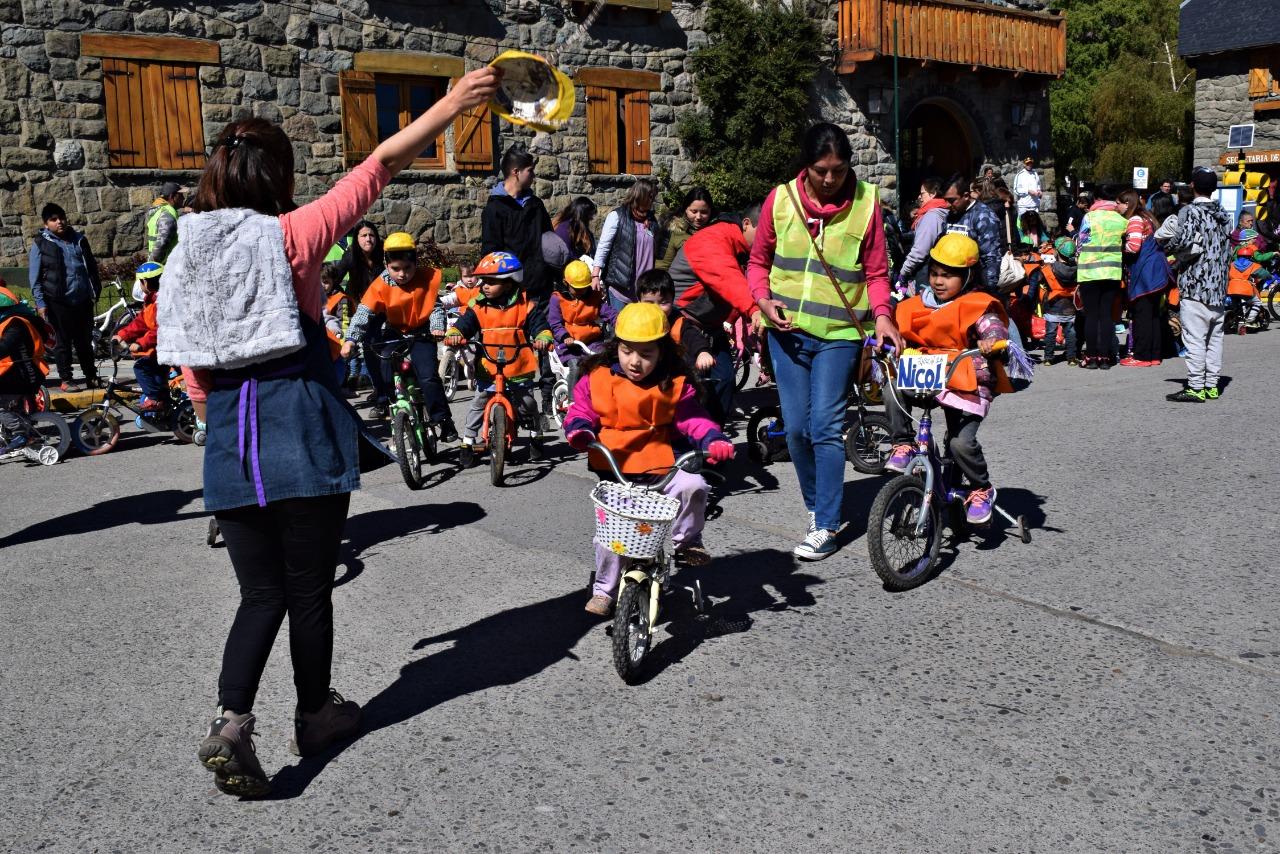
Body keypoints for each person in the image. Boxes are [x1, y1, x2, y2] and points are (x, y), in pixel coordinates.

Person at [156, 67, 500, 799]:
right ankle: (314, 714)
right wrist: (451, 102)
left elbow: (190, 372)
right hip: (297, 425)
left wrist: (218, 421)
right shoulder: (292, 235)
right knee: (309, 591)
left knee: (258, 595)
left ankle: (231, 721)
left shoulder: (185, 256)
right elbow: (380, 166)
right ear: (277, 174)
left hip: (229, 443)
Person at [747, 122, 903, 560]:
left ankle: (827, 525)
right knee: (795, 429)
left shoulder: (866, 203)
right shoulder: (780, 201)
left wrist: (884, 317)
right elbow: (757, 263)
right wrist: (762, 301)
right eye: (821, 170)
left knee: (825, 427)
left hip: (841, 335)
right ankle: (817, 507)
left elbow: (875, 273)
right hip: (788, 335)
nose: (831, 179)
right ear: (807, 166)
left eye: (839, 169)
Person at [562, 301, 735, 616]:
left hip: (662, 467)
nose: (635, 362)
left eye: (646, 354)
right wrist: (579, 429)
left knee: (694, 484)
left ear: (663, 353)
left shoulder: (674, 382)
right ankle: (604, 591)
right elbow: (581, 409)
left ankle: (687, 543)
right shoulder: (597, 376)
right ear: (617, 346)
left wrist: (713, 438)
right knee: (611, 542)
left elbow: (692, 418)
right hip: (616, 469)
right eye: (627, 351)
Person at [884, 234, 1015, 524]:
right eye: (934, 274)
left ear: (968, 276)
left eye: (948, 276)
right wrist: (889, 339)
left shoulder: (978, 304)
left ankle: (981, 487)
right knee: (892, 387)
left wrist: (992, 340)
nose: (938, 281)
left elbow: (993, 327)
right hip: (929, 374)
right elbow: (897, 328)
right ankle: (902, 443)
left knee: (960, 444)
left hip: (966, 380)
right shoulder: (916, 303)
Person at [340, 232, 457, 440]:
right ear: (386, 265)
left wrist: (437, 328)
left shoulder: (425, 278)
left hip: (421, 332)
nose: (402, 274)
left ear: (415, 263)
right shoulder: (380, 284)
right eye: (395, 269)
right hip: (395, 331)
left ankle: (443, 420)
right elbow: (363, 314)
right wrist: (350, 340)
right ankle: (393, 404)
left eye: (407, 268)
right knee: (384, 363)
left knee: (428, 375)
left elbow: (436, 308)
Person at [443, 251, 553, 467]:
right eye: (484, 280)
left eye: (492, 282)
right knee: (479, 402)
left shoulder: (525, 304)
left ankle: (535, 431)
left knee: (527, 403)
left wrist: (542, 335)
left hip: (518, 365)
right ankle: (467, 440)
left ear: (510, 282)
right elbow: (465, 323)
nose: (485, 286)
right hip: (488, 364)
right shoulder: (478, 305)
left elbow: (539, 323)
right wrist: (456, 333)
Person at [481, 146, 555, 424]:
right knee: (510, 345)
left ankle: (546, 401)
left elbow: (547, 241)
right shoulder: (495, 208)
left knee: (542, 341)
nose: (533, 175)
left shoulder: (535, 205)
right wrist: (501, 283)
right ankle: (509, 402)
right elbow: (490, 251)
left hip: (540, 285)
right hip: (511, 291)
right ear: (516, 172)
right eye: (530, 171)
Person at [667, 208, 761, 425]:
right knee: (690, 387)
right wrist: (755, 310)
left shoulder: (746, 250)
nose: (768, 238)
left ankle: (712, 439)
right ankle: (691, 442)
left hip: (712, 325)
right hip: (684, 323)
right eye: (764, 230)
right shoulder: (713, 238)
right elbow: (728, 278)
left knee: (725, 380)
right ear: (746, 223)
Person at [1155, 167, 1233, 402]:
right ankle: (1212, 385)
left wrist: (1166, 247)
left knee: (1195, 338)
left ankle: (1196, 386)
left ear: (1192, 186)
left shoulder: (1190, 212)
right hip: (1219, 286)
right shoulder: (1224, 215)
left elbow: (1181, 241)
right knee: (1215, 338)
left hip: (1196, 284)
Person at [28, 202, 101, 391]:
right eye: (53, 220)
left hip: (82, 299)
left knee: (84, 341)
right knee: (62, 342)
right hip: (58, 301)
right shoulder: (41, 243)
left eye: (61, 218)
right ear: (46, 224)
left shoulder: (79, 240)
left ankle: (91, 376)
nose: (59, 222)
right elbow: (34, 277)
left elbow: (90, 267)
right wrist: (40, 302)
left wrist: (94, 290)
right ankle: (66, 379)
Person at [330, 220, 388, 398]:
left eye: (371, 235)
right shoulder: (351, 256)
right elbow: (334, 278)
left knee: (386, 348)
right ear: (357, 239)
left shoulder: (384, 254)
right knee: (370, 348)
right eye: (363, 235)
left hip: (385, 307)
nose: (368, 239)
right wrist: (341, 298)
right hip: (363, 308)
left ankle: (388, 387)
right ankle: (380, 390)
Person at [1075, 187, 1128, 368]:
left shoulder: (1090, 217)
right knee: (1106, 315)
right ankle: (1105, 358)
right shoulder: (1121, 220)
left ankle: (1090, 357)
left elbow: (1081, 241)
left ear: (1096, 198)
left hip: (1089, 271)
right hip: (1112, 272)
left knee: (1091, 315)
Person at [0, 283, 53, 454]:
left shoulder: (15, 323)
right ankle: (16, 431)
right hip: (14, 373)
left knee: (3, 405)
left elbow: (5, 347)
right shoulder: (8, 320)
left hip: (24, 374)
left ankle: (21, 433)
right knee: (13, 407)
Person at [548, 258, 618, 386]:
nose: (581, 292)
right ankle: (572, 401)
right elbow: (555, 323)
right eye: (577, 288)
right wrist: (565, 337)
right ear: (566, 283)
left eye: (584, 288)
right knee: (576, 367)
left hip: (591, 341)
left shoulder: (593, 297)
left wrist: (621, 321)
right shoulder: (558, 298)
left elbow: (608, 313)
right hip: (568, 344)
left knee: (604, 362)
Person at [111, 262, 169, 411]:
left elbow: (160, 329)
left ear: (145, 282)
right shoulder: (151, 302)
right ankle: (163, 402)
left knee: (141, 367)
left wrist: (141, 343)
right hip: (158, 348)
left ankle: (155, 399)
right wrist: (122, 334)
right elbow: (140, 322)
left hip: (165, 347)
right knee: (155, 373)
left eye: (140, 282)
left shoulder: (161, 303)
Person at [593, 178, 660, 307]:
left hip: (644, 290)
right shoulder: (617, 216)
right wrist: (595, 275)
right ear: (640, 195)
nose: (653, 201)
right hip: (620, 287)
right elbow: (603, 246)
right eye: (650, 197)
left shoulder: (652, 220)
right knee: (620, 325)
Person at [1118, 189, 1165, 366]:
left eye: (1119, 203)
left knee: (1142, 315)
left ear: (1127, 203)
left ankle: (1141, 356)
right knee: (1153, 315)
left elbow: (1134, 246)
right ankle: (1154, 355)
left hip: (1145, 274)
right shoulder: (1147, 217)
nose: (1117, 206)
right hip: (1156, 272)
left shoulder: (1135, 220)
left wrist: (1118, 249)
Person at [943, 175, 1003, 292]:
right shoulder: (951, 214)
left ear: (966, 196)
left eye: (951, 200)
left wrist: (989, 288)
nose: (947, 205)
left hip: (975, 286)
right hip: (950, 285)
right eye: (945, 200)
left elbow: (991, 257)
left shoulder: (983, 216)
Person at [896, 177, 950, 295]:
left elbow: (920, 250)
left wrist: (904, 271)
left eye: (922, 193)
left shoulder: (932, 216)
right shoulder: (944, 210)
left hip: (926, 273)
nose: (920, 197)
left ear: (933, 194)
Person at [1038, 237, 1079, 366]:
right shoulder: (1077, 269)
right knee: (1070, 332)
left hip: (1053, 305)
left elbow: (1040, 281)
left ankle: (1048, 358)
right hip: (1070, 306)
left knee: (1051, 332)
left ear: (1056, 252)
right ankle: (1071, 358)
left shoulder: (1049, 269)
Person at [656, 186, 714, 271]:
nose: (698, 217)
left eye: (704, 212)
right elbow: (662, 266)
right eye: (694, 211)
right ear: (686, 209)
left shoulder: (718, 229)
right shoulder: (672, 230)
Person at [1227, 239, 1268, 331]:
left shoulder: (1232, 264)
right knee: (1257, 303)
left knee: (1236, 305)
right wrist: (1269, 277)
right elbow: (1265, 274)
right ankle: (1250, 321)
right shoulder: (1253, 265)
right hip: (1245, 289)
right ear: (1250, 256)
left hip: (1231, 289)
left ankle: (1237, 320)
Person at [146, 181, 186, 263]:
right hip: (164, 266)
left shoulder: (160, 209)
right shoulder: (168, 216)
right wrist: (154, 265)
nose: (183, 198)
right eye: (180, 195)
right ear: (172, 197)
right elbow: (161, 244)